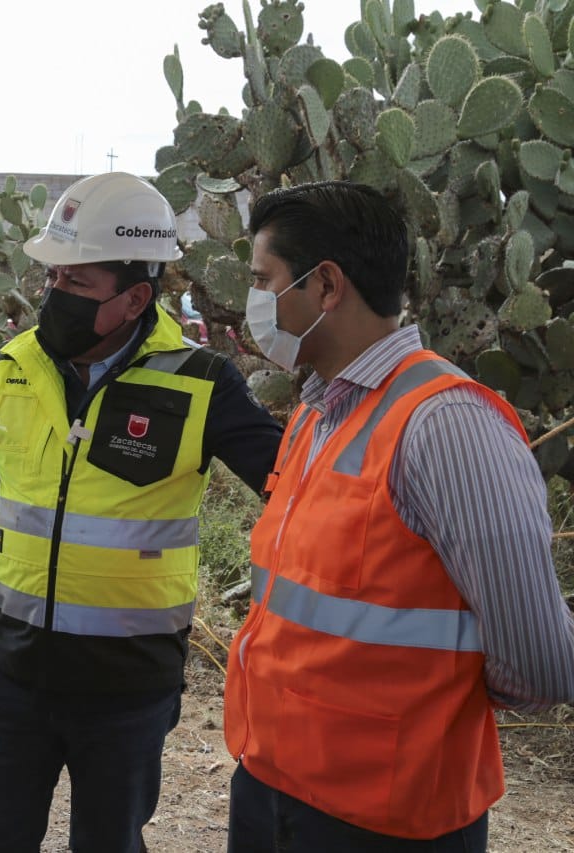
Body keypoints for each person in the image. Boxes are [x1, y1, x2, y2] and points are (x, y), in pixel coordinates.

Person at [224, 180, 574, 852]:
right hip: (273, 789)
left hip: (387, 821)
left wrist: (426, 706)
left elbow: (539, 664)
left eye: (264, 282)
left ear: (326, 286)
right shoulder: (317, 412)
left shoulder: (446, 424)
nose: (254, 307)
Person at [0, 171, 284, 853]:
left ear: (134, 297)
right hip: (8, 675)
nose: (53, 296)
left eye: (76, 282)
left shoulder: (202, 381)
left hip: (128, 689)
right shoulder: (11, 367)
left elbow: (297, 490)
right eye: (52, 279)